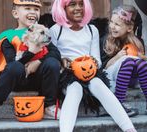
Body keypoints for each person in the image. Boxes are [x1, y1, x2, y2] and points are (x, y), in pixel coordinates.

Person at [50, 0, 137, 132]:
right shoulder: (56, 30)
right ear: (63, 8)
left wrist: (93, 62)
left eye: (81, 4)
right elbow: (52, 56)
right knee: (75, 88)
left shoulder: (92, 30)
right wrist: (62, 60)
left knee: (98, 84)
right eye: (72, 4)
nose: (78, 8)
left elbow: (97, 59)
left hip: (90, 71)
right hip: (68, 75)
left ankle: (129, 128)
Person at [0, 0, 61, 123]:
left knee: (52, 62)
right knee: (14, 66)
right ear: (15, 14)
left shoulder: (43, 33)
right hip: (16, 80)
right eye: (27, 8)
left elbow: (56, 53)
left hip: (38, 80)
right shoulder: (9, 35)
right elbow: (11, 61)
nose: (32, 12)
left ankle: (49, 106)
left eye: (36, 9)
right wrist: (31, 52)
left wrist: (38, 61)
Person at [102, 5, 147, 117]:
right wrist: (118, 56)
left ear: (129, 28)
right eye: (111, 22)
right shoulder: (106, 41)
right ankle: (118, 103)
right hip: (111, 77)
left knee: (140, 63)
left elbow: (142, 65)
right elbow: (104, 68)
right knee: (128, 61)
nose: (112, 27)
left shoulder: (137, 43)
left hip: (131, 78)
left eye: (117, 24)